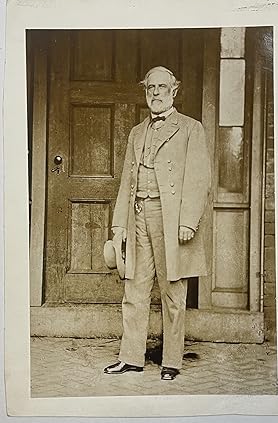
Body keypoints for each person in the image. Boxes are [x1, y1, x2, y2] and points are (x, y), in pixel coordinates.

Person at [103, 66, 211, 380]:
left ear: (174, 91)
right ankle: (131, 357)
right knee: (134, 288)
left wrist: (189, 221)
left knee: (173, 290)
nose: (156, 93)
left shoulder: (191, 128)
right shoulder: (137, 132)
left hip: (172, 219)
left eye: (162, 87)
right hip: (137, 215)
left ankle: (172, 361)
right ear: (146, 91)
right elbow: (127, 180)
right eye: (150, 88)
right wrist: (119, 225)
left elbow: (198, 179)